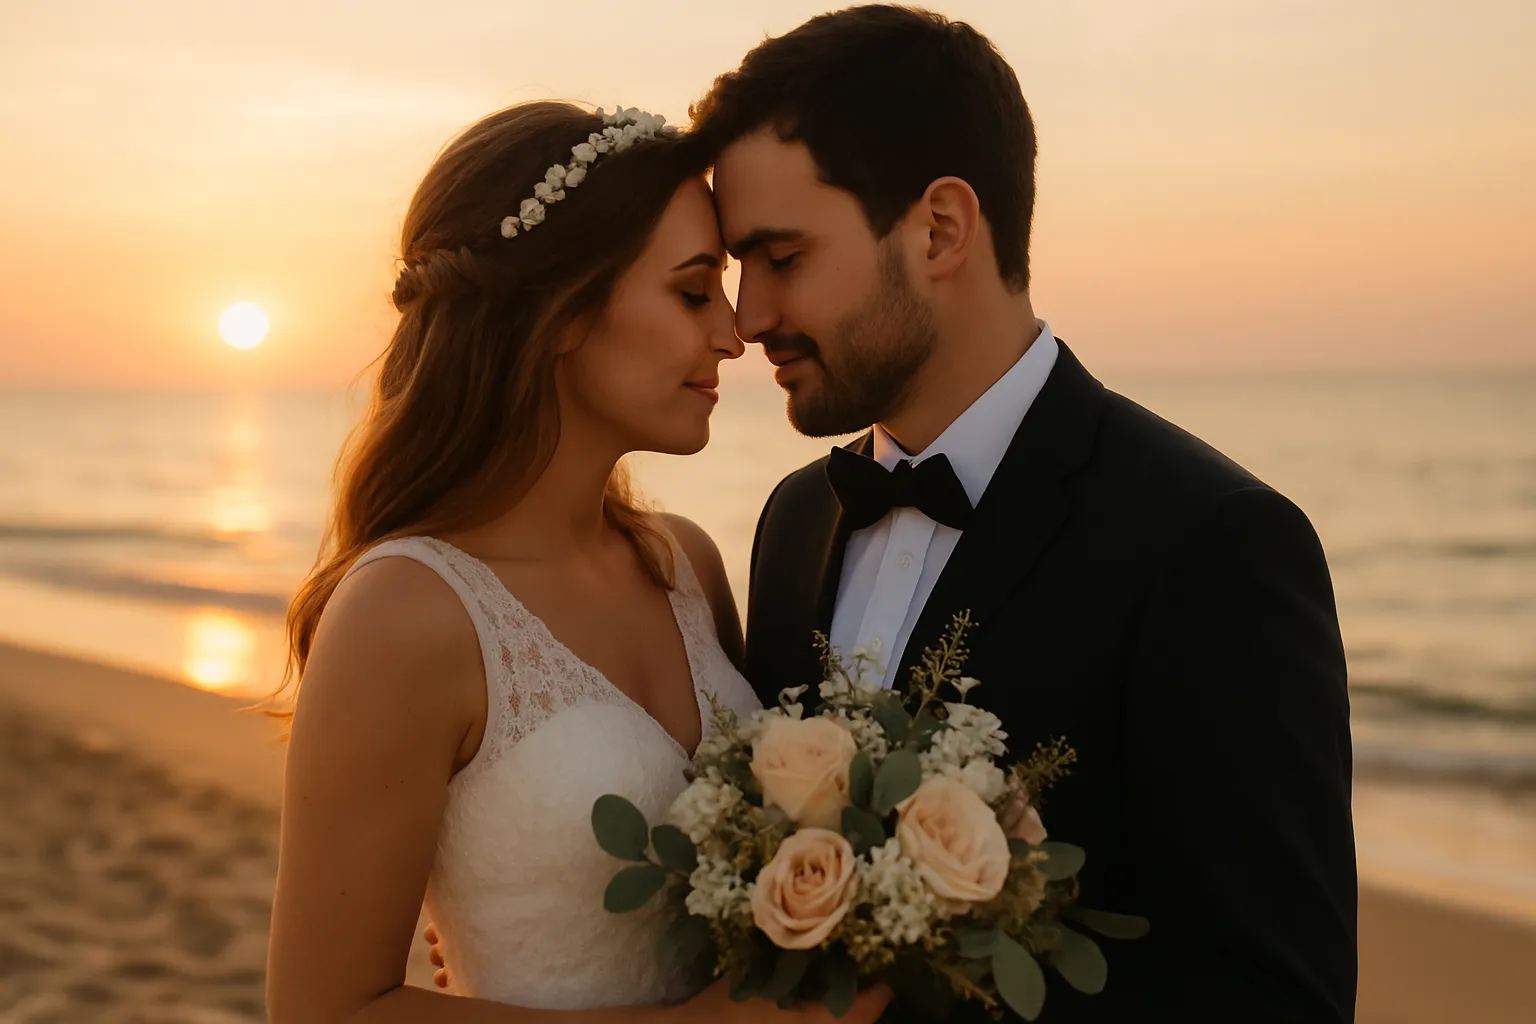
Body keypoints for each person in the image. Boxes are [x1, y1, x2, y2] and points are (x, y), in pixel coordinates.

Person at [694, 6, 1358, 1021]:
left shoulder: (1214, 543)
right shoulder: (794, 522)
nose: (747, 316)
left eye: (781, 258)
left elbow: (1273, 993)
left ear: (941, 229)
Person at [263, 100, 890, 1024]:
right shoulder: (406, 615)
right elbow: (321, 1010)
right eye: (691, 291)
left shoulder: (686, 567)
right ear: (559, 313)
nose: (733, 331)